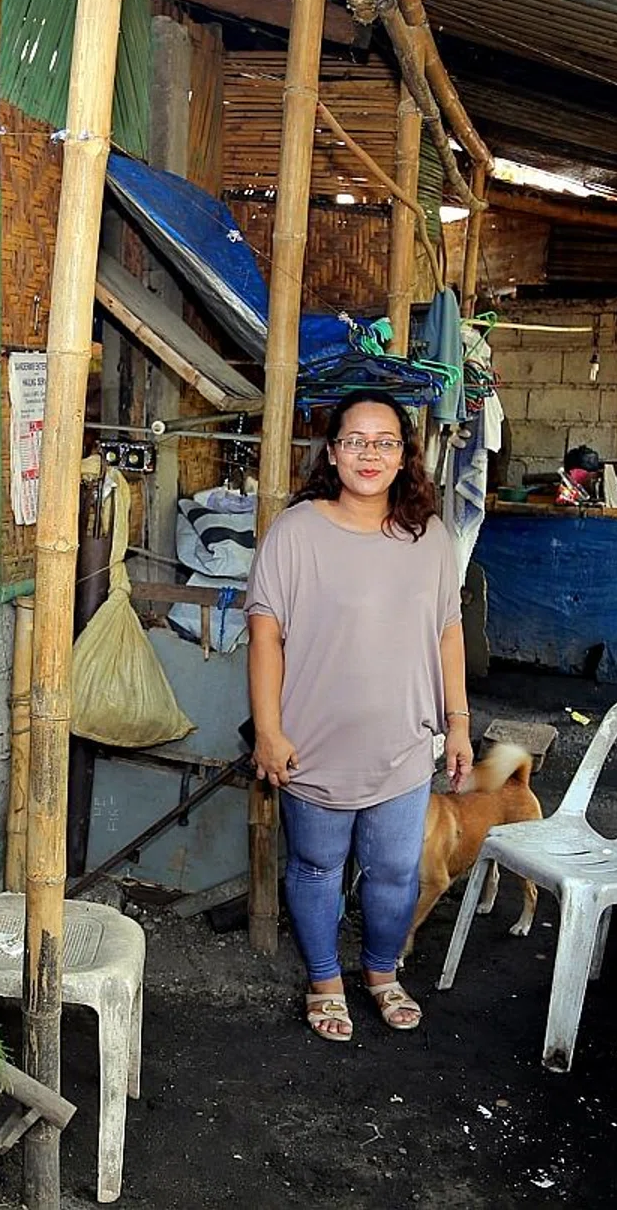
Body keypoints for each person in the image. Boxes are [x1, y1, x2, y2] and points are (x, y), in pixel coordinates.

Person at [245, 390, 468, 1042]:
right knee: (316, 866)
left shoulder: (429, 538)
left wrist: (457, 721)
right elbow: (265, 638)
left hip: (402, 744)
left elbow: (448, 633)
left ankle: (379, 972)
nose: (369, 453)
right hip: (313, 744)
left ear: (405, 457)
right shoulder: (296, 532)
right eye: (355, 440)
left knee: (396, 869)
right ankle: (323, 978)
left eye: (385, 441)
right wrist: (268, 730)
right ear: (333, 452)